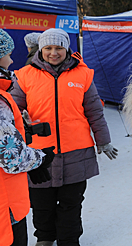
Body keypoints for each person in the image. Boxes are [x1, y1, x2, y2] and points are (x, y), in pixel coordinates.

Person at [11, 28, 118, 246]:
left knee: (72, 202)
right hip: (40, 154)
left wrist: (103, 140)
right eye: (48, 48)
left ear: (67, 48)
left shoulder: (83, 74)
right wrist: (22, 119)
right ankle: (45, 238)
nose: (53, 53)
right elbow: (11, 111)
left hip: (77, 152)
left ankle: (69, 240)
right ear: (40, 49)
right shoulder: (24, 75)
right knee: (42, 202)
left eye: (59, 48)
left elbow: (94, 111)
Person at [0, 29, 55, 246]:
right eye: (7, 53)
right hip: (6, 206)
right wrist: (41, 158)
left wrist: (22, 129)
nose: (11, 59)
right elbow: (11, 158)